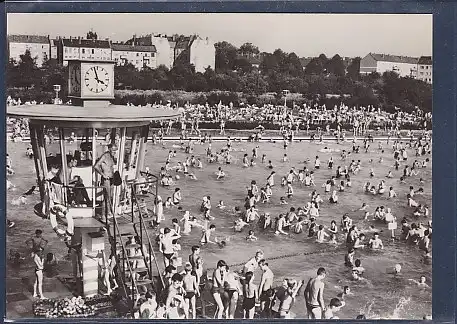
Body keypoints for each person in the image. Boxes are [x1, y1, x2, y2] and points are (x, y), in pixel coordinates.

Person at [94, 143, 117, 216]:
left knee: (110, 197)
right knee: (106, 197)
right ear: (109, 149)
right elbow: (96, 166)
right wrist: (103, 174)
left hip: (111, 179)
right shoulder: (104, 156)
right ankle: (103, 215)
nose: (114, 152)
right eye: (113, 150)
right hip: (106, 179)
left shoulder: (112, 157)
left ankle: (108, 212)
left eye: (115, 150)